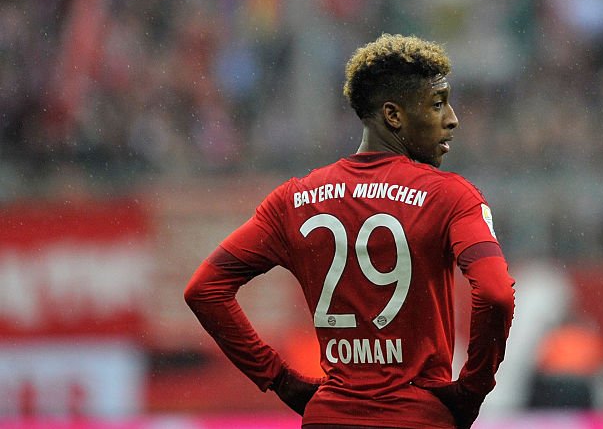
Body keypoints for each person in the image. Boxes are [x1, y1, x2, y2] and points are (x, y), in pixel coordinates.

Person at [184, 34, 516, 429]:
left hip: (329, 418)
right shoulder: (450, 196)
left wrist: (280, 380)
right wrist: (472, 389)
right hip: (416, 418)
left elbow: (204, 290)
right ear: (393, 116)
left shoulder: (295, 199)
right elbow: (496, 294)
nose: (452, 118)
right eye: (437, 103)